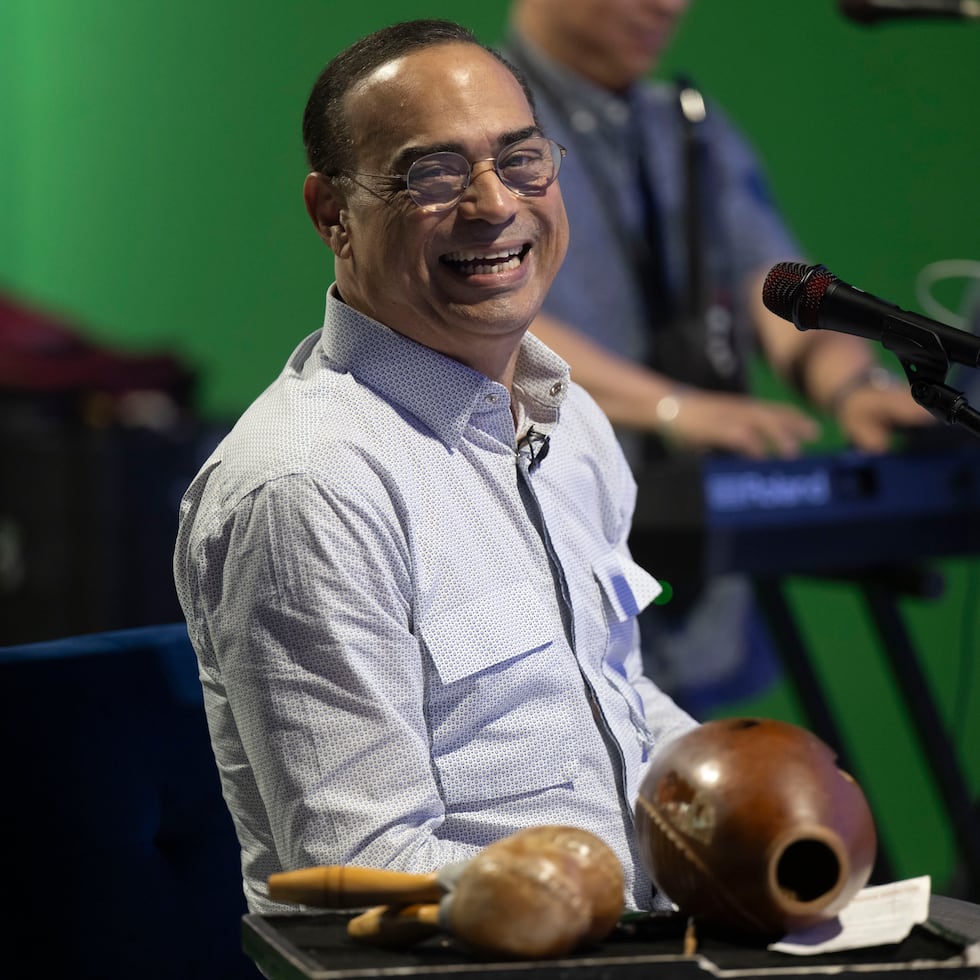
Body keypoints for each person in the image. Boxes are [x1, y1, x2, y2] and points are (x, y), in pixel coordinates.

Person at [173, 18, 697, 917]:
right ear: (332, 214)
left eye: (522, 160)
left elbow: (609, 686)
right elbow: (360, 869)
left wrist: (734, 775)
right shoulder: (308, 488)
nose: (494, 204)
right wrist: (589, 905)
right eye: (433, 175)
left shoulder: (573, 426)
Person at [502, 0, 931, 713]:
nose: (670, 5)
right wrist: (673, 409)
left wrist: (852, 387)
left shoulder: (688, 125)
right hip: (547, 565)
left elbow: (779, 284)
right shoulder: (479, 127)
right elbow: (492, 320)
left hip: (694, 582)